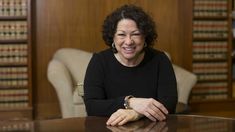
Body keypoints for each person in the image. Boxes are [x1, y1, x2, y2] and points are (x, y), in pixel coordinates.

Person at [84, 4, 178, 126]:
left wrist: (137, 113)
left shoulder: (160, 60)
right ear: (113, 37)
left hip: (150, 127)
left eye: (136, 34)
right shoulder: (99, 61)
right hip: (110, 127)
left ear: (145, 36)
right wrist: (130, 102)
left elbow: (169, 104)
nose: (128, 41)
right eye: (121, 34)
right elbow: (92, 106)